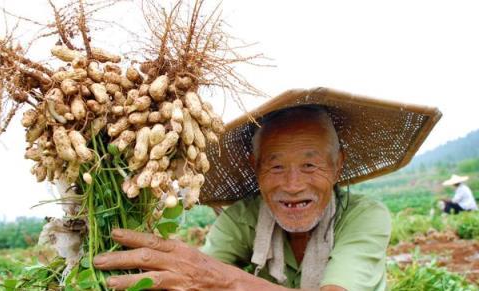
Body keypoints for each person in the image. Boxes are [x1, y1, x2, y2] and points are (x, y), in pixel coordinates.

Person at [93, 88, 441, 290]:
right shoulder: (241, 218)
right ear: (254, 168)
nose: (292, 185)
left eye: (310, 165)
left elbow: (208, 276)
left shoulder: (364, 216)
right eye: (275, 166)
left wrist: (219, 280)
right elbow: (193, 280)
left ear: (337, 167)